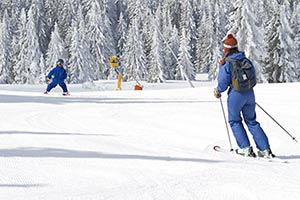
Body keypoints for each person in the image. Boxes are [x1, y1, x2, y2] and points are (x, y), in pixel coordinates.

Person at [214, 34, 274, 158]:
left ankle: (245, 148)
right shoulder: (245, 59)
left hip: (236, 94)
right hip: (249, 93)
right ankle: (265, 150)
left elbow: (223, 81)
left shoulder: (227, 62)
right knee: (252, 121)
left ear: (226, 49)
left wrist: (218, 91)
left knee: (235, 121)